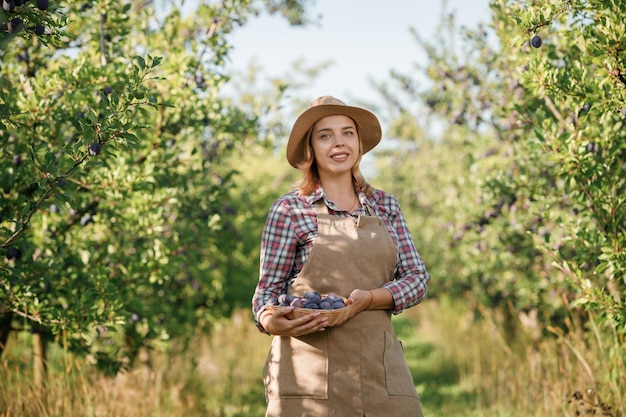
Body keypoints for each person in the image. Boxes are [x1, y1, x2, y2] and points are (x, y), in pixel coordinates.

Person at [252, 96, 430, 417]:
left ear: (359, 144)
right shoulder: (290, 210)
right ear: (311, 148)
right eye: (325, 135)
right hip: (309, 375)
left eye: (348, 133)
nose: (339, 143)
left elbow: (417, 279)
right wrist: (269, 320)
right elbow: (266, 293)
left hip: (381, 370)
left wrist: (373, 298)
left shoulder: (385, 206)